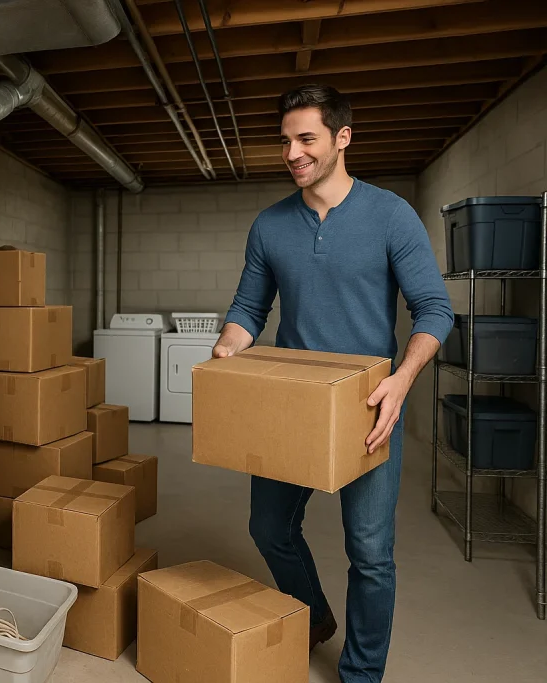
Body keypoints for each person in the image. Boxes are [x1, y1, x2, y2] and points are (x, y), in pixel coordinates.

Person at [211, 85, 453, 682]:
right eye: (286, 140)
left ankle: (361, 674)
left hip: (371, 406)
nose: (292, 152)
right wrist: (228, 344)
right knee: (267, 528)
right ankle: (315, 614)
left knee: (370, 555)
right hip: (289, 405)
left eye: (306, 139)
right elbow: (249, 307)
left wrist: (401, 382)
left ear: (342, 138)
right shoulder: (270, 225)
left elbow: (435, 311)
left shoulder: (391, 214)